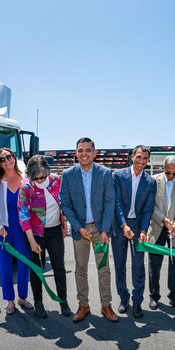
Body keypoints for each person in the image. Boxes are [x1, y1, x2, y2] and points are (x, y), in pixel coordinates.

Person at [60, 138, 119, 323]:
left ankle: (106, 305)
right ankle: (83, 305)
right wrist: (78, 227)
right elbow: (65, 204)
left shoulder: (105, 173)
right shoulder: (68, 175)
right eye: (80, 150)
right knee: (80, 269)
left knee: (103, 269)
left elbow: (110, 202)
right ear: (76, 153)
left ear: (95, 152)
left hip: (100, 229)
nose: (84, 153)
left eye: (87, 150)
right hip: (80, 231)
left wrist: (105, 230)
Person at [18, 155, 70, 319]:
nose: (40, 180)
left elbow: (64, 204)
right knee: (36, 269)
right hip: (34, 234)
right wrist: (32, 241)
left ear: (48, 172)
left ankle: (63, 301)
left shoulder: (56, 181)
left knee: (59, 267)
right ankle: (38, 303)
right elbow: (23, 215)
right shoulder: (26, 187)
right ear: (30, 175)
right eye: (36, 178)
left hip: (54, 231)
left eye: (43, 176)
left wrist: (64, 224)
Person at [0, 148, 32, 315]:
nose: (7, 161)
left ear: (14, 157)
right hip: (2, 230)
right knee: (5, 266)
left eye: (9, 157)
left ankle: (23, 297)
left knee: (24, 263)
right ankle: (10, 301)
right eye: (2, 159)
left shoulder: (25, 179)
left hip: (22, 229)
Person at [112, 145, 157, 319]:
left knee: (138, 266)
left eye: (145, 158)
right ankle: (124, 299)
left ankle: (137, 301)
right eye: (139, 157)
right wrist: (124, 225)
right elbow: (115, 203)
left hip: (139, 226)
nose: (141, 161)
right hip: (119, 225)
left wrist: (144, 230)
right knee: (119, 265)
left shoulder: (150, 182)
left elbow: (148, 209)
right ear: (132, 157)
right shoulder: (118, 176)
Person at [147, 155, 175, 310]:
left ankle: (173, 296)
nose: (171, 176)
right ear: (163, 169)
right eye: (168, 172)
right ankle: (154, 296)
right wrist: (163, 220)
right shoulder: (153, 181)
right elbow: (150, 204)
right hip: (158, 227)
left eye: (174, 173)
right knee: (154, 266)